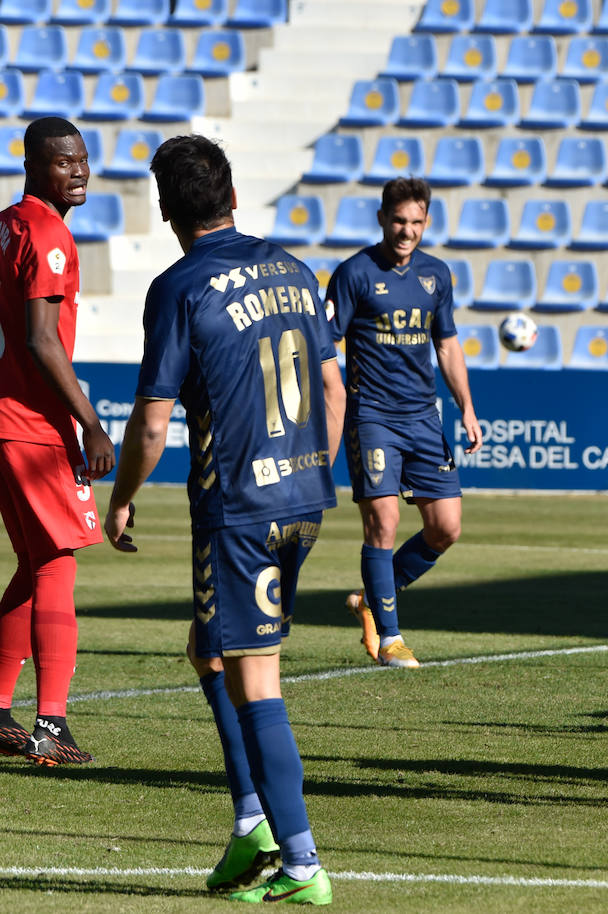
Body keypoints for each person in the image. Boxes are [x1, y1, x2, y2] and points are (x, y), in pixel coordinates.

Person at [104, 135, 344, 904]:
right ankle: (250, 825)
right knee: (209, 652)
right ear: (232, 192)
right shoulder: (296, 270)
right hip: (302, 496)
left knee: (254, 677)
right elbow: (336, 395)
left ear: (169, 210)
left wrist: (122, 496)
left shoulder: (179, 288)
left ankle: (302, 863)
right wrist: (309, 474)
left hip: (238, 509)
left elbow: (149, 428)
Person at [327, 177, 481, 669]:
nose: (406, 231)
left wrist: (467, 407)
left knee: (445, 527)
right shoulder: (354, 273)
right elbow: (327, 345)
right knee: (383, 522)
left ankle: (373, 595)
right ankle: (390, 639)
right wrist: (334, 404)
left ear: (426, 222)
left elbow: (447, 345)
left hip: (422, 416)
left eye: (416, 222)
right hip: (372, 416)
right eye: (398, 221)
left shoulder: (437, 275)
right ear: (381, 219)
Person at [0, 117, 114, 767]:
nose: (79, 171)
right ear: (35, 165)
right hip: (35, 426)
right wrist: (90, 424)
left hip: (6, 418)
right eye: (64, 162)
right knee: (58, 562)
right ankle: (51, 724)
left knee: (31, 562)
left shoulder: (7, 223)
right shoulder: (46, 234)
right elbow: (43, 340)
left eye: (83, 159)